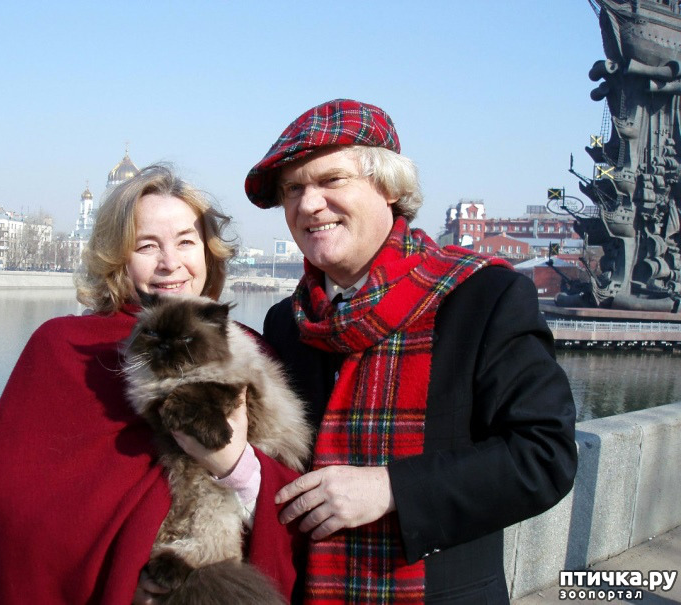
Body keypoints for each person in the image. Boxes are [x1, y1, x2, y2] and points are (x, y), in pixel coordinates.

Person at [242, 99, 578, 603]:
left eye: (332, 180)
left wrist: (392, 488)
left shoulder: (482, 298)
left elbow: (545, 456)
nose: (308, 204)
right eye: (293, 189)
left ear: (390, 188)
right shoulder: (286, 324)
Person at [0, 164, 302, 605]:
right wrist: (120, 572)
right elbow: (10, 511)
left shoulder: (249, 348)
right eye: (147, 245)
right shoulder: (63, 347)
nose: (170, 263)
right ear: (117, 257)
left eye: (186, 242)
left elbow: (290, 501)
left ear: (208, 252)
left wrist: (233, 465)